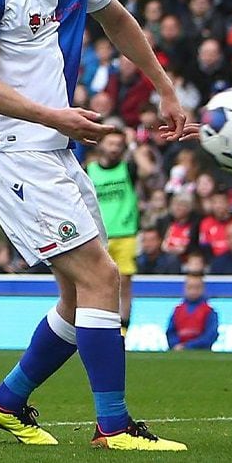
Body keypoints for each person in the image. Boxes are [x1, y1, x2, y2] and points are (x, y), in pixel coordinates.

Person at [0, 0, 187, 451]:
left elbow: (118, 20)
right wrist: (54, 114)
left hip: (56, 149)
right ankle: (112, 426)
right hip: (15, 151)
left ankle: (5, 401)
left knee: (78, 290)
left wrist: (165, 89)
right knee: (101, 275)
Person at [85, 132, 141, 333]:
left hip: (125, 233)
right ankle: (100, 325)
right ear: (101, 145)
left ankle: (123, 328)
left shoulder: (129, 168)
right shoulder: (89, 171)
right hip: (99, 236)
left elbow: (150, 170)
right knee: (99, 282)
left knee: (124, 282)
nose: (115, 148)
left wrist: (134, 142)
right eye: (111, 143)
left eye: (119, 144)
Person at [166, 274, 218, 350]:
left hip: (201, 351)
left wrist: (188, 346)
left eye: (197, 288)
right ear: (185, 289)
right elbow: (170, 332)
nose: (193, 291)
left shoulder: (209, 311)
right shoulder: (178, 310)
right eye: (190, 287)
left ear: (203, 289)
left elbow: (210, 335)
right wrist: (176, 345)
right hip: (178, 351)